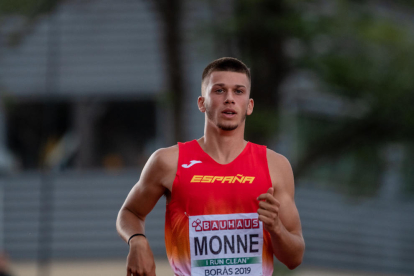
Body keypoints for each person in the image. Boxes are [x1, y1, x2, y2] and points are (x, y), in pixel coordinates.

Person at [116, 57, 305, 276]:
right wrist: (137, 241)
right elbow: (129, 212)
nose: (229, 99)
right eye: (219, 91)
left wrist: (277, 228)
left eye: (239, 91)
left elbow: (295, 258)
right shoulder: (168, 161)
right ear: (201, 102)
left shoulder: (275, 166)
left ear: (249, 105)